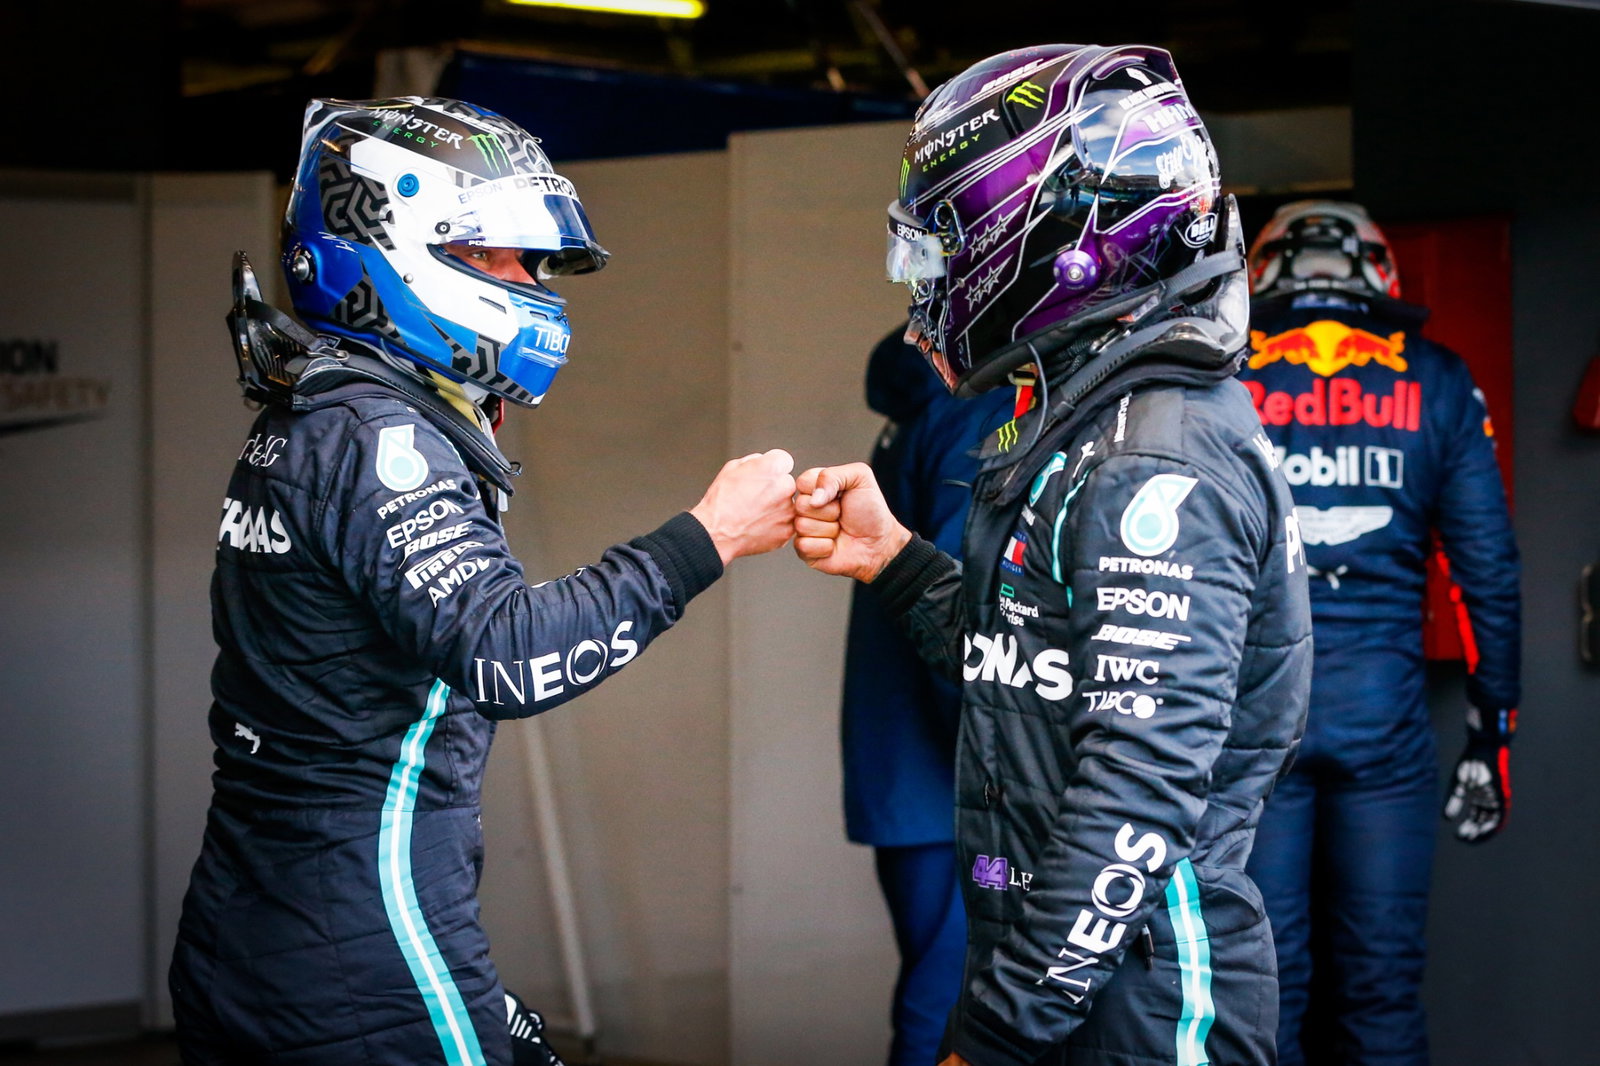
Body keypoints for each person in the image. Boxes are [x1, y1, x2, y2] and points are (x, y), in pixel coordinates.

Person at [167, 96, 797, 1066]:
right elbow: (508, 654)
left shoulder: (317, 412)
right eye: (491, 254)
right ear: (388, 242)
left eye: (530, 259)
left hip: (260, 924)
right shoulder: (379, 438)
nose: (527, 281)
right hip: (358, 934)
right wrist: (708, 537)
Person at [795, 44, 1312, 1066]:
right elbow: (1032, 667)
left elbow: (1137, 794)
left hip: (1136, 1005)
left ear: (1053, 247)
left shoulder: (1153, 459)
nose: (924, 281)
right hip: (1064, 979)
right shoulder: (1089, 425)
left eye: (945, 248)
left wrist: (993, 1033)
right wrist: (891, 558)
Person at [1237, 201, 1522, 1066]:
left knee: (1260, 992)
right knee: (1382, 990)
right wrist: (1492, 735)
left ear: (1262, 271)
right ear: (1381, 273)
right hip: (1384, 727)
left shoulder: (1218, 377)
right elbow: (1487, 575)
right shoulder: (1438, 380)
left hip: (1250, 728)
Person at [841, 326, 1012, 1066]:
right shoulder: (979, 413)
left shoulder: (931, 402)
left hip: (912, 776)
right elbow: (972, 611)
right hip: (952, 782)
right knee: (955, 1005)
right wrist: (1009, 780)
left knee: (944, 996)